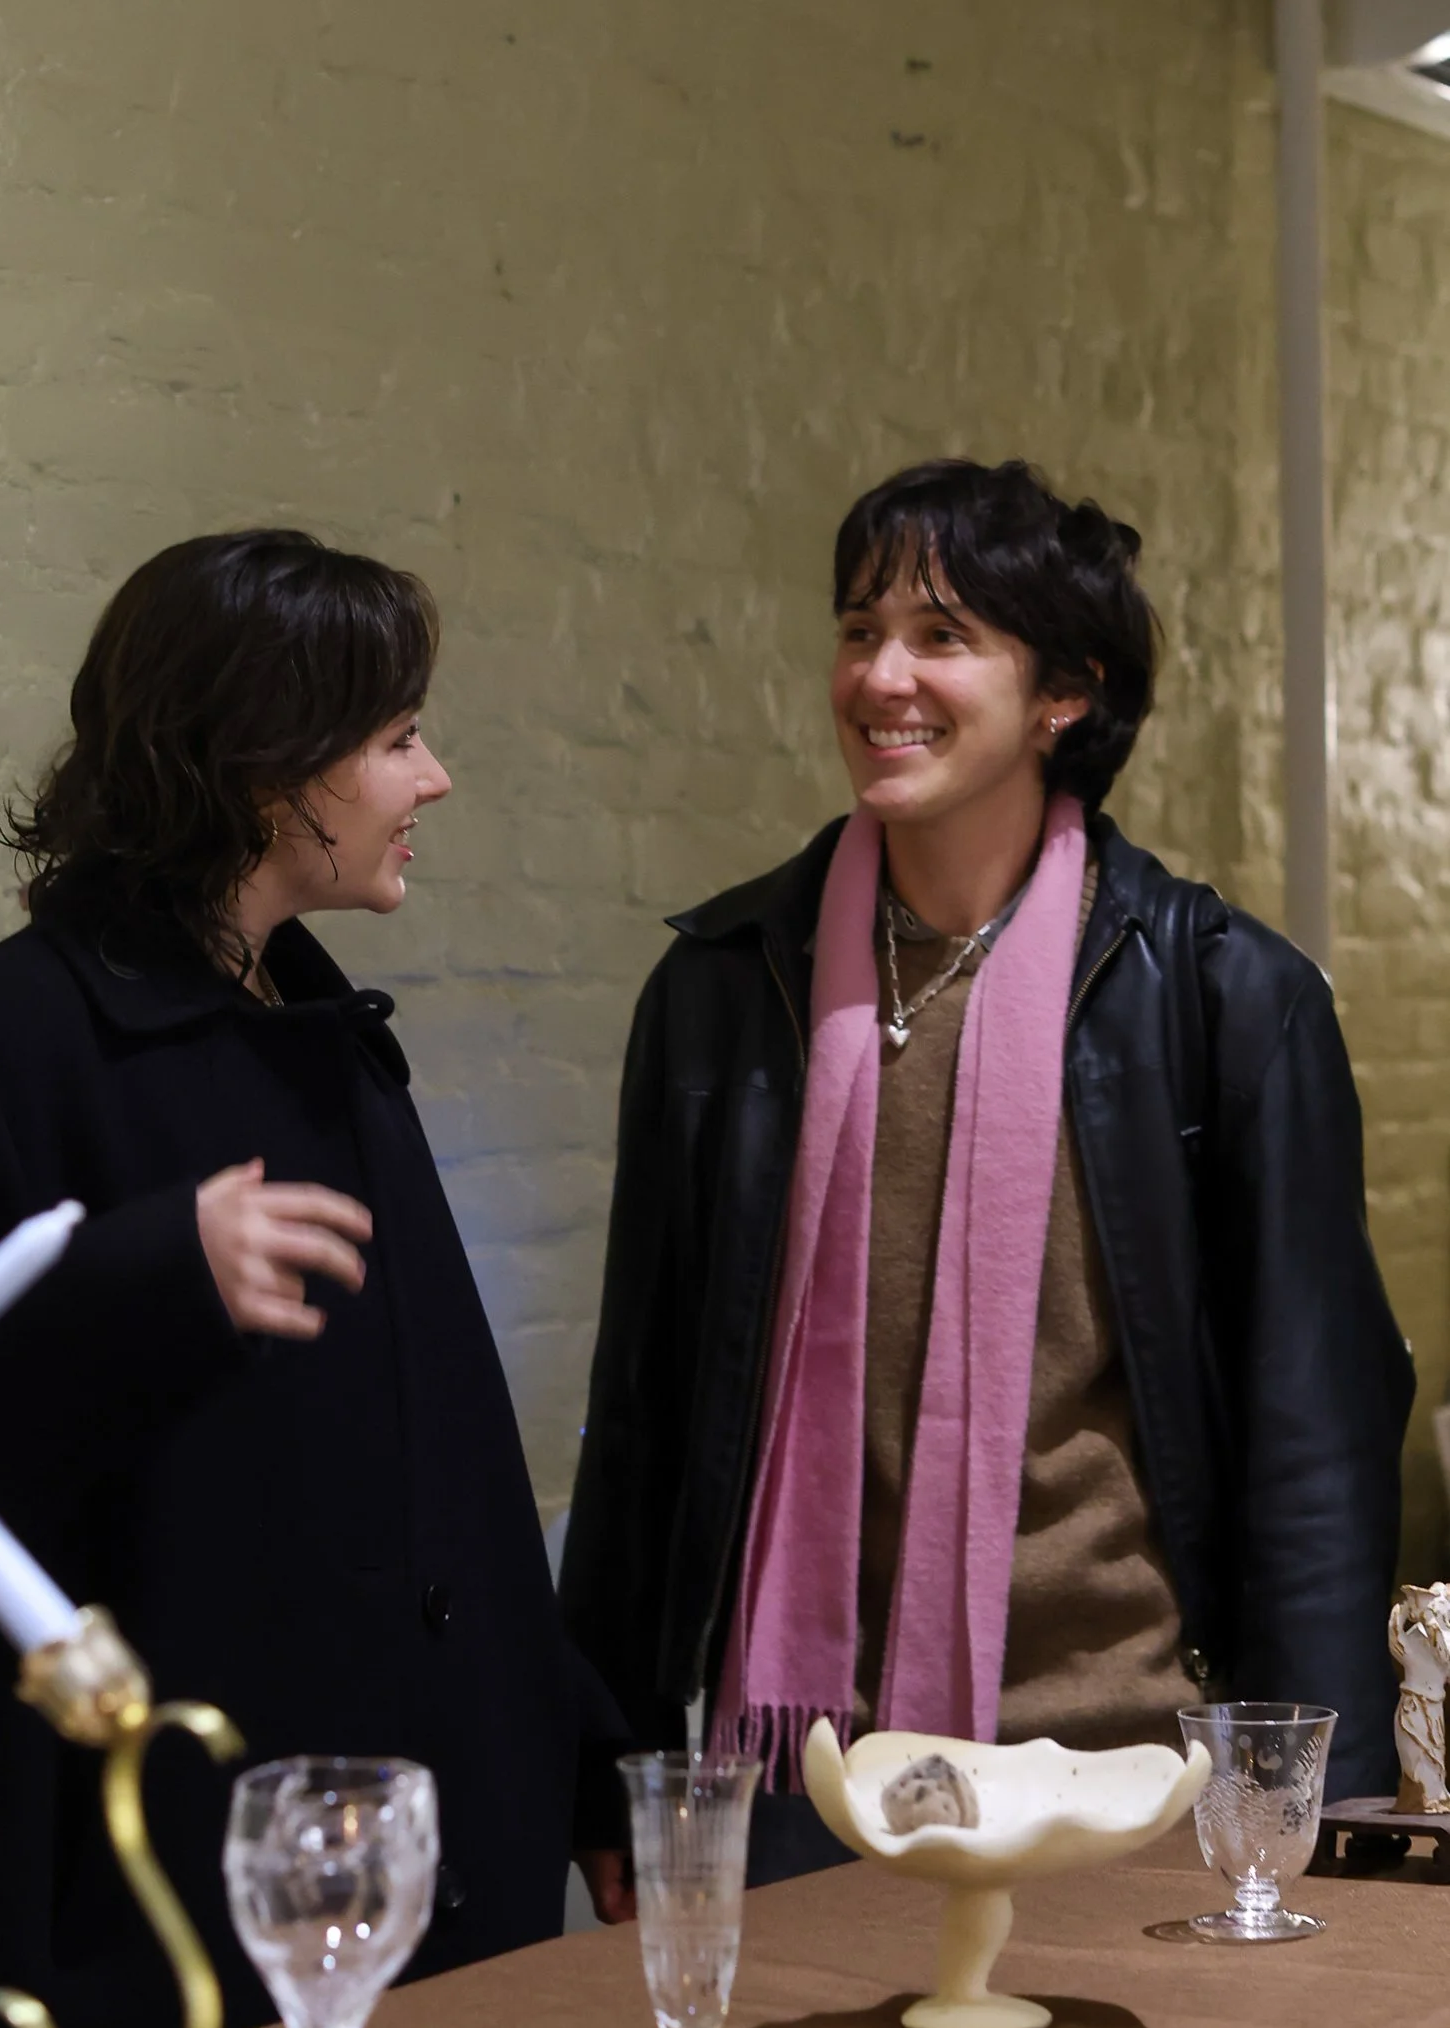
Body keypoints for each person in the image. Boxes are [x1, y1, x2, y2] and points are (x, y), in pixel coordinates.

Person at [0, 527, 620, 2028]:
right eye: (396, 738)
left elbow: (433, 1475)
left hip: (390, 1894)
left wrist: (567, 1747)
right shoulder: (19, 1047)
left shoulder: (316, 1032)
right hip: (162, 1937)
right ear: (264, 766)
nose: (431, 779)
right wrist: (143, 1274)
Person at [562, 456, 1413, 1912]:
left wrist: (1319, 1805)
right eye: (858, 630)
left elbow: (1312, 1441)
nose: (880, 676)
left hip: (1134, 1773)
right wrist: (606, 1759)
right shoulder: (724, 991)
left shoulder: (1220, 999)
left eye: (941, 635)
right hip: (809, 1780)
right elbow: (642, 1409)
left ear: (1065, 692)